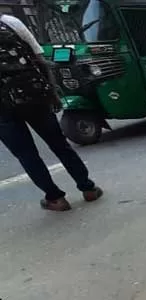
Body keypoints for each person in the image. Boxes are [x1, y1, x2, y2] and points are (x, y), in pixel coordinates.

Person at [0, 14, 102, 211]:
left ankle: (55, 199)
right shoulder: (10, 22)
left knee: (26, 154)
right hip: (34, 96)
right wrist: (53, 94)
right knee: (60, 144)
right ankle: (88, 188)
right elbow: (40, 60)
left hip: (2, 109)